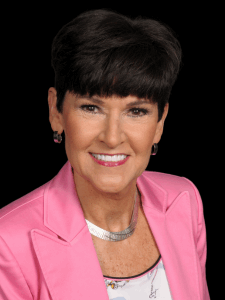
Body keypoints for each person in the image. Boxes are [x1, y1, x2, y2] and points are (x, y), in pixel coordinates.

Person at [0, 8, 210, 300]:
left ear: (160, 123)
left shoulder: (184, 200)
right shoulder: (7, 243)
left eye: (136, 111)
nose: (112, 138)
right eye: (91, 108)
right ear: (55, 111)